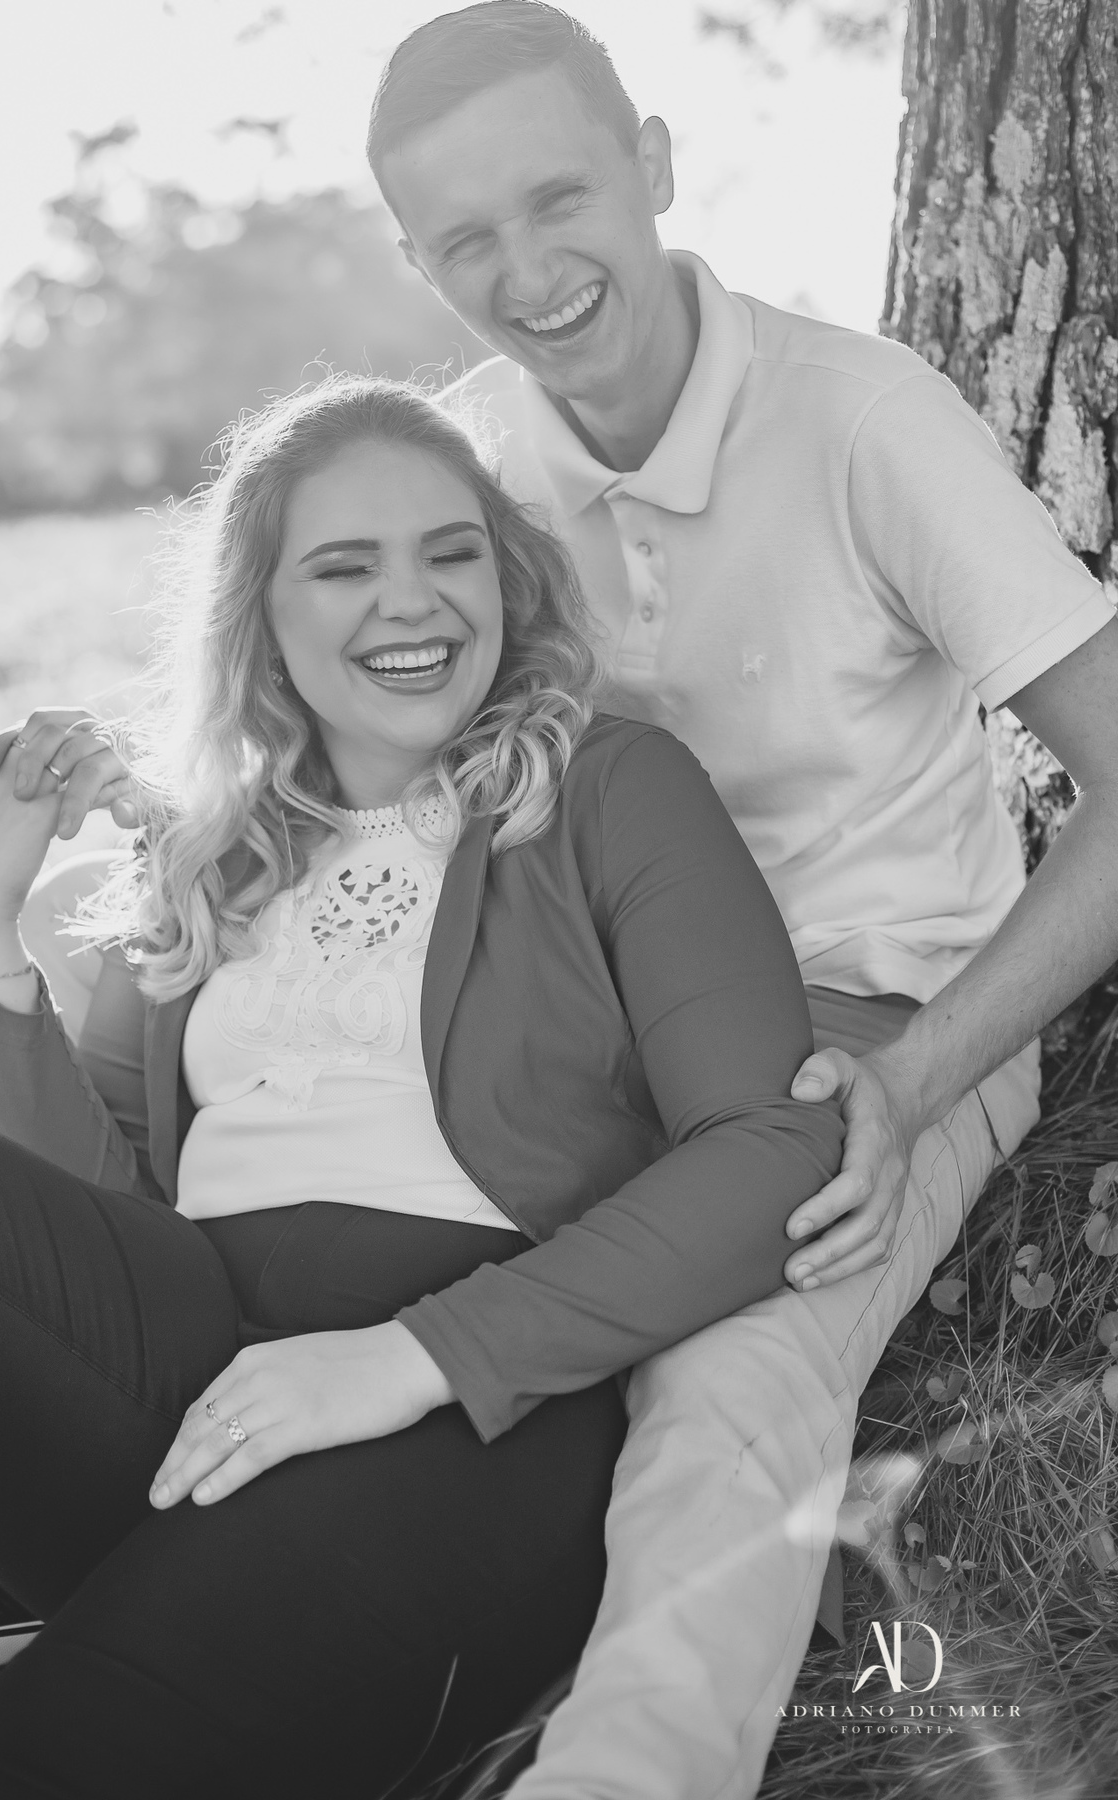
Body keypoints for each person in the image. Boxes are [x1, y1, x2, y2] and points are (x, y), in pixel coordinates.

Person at [364, 5, 1118, 1795]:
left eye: (559, 198)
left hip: (860, 1033)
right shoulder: (461, 474)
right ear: (413, 262)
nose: (528, 274)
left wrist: (916, 1081)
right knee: (338, 1299)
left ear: (652, 164)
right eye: (465, 240)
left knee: (727, 1391)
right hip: (567, 1022)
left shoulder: (863, 422)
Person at [0, 377, 842, 1797]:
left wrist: (406, 1360)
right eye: (345, 566)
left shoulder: (608, 787)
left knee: (55, 1752)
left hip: (472, 1412)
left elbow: (773, 1145)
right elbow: (104, 1214)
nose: (412, 602)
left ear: (505, 577)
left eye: (450, 552)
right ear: (261, 616)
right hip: (195, 1376)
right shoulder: (220, 854)